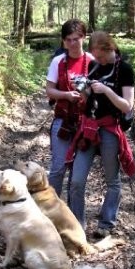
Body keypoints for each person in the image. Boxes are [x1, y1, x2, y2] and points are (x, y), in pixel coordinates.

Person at [66, 31, 135, 237]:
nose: (98, 60)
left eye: (101, 56)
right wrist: (82, 88)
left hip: (109, 128)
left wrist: (106, 90)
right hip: (88, 127)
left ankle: (106, 223)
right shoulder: (94, 66)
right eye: (95, 56)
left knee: (112, 180)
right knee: (77, 180)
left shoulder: (124, 69)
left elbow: (127, 106)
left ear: (110, 48)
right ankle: (77, 224)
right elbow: (89, 97)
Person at [45, 19, 94, 197]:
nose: (72, 44)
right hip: (63, 120)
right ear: (63, 41)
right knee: (58, 168)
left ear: (84, 38)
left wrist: (85, 93)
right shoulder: (58, 61)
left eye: (76, 39)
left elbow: (100, 93)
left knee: (76, 176)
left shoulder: (92, 61)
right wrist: (65, 95)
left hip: (85, 122)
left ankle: (73, 218)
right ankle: (51, 210)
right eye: (68, 40)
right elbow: (49, 90)